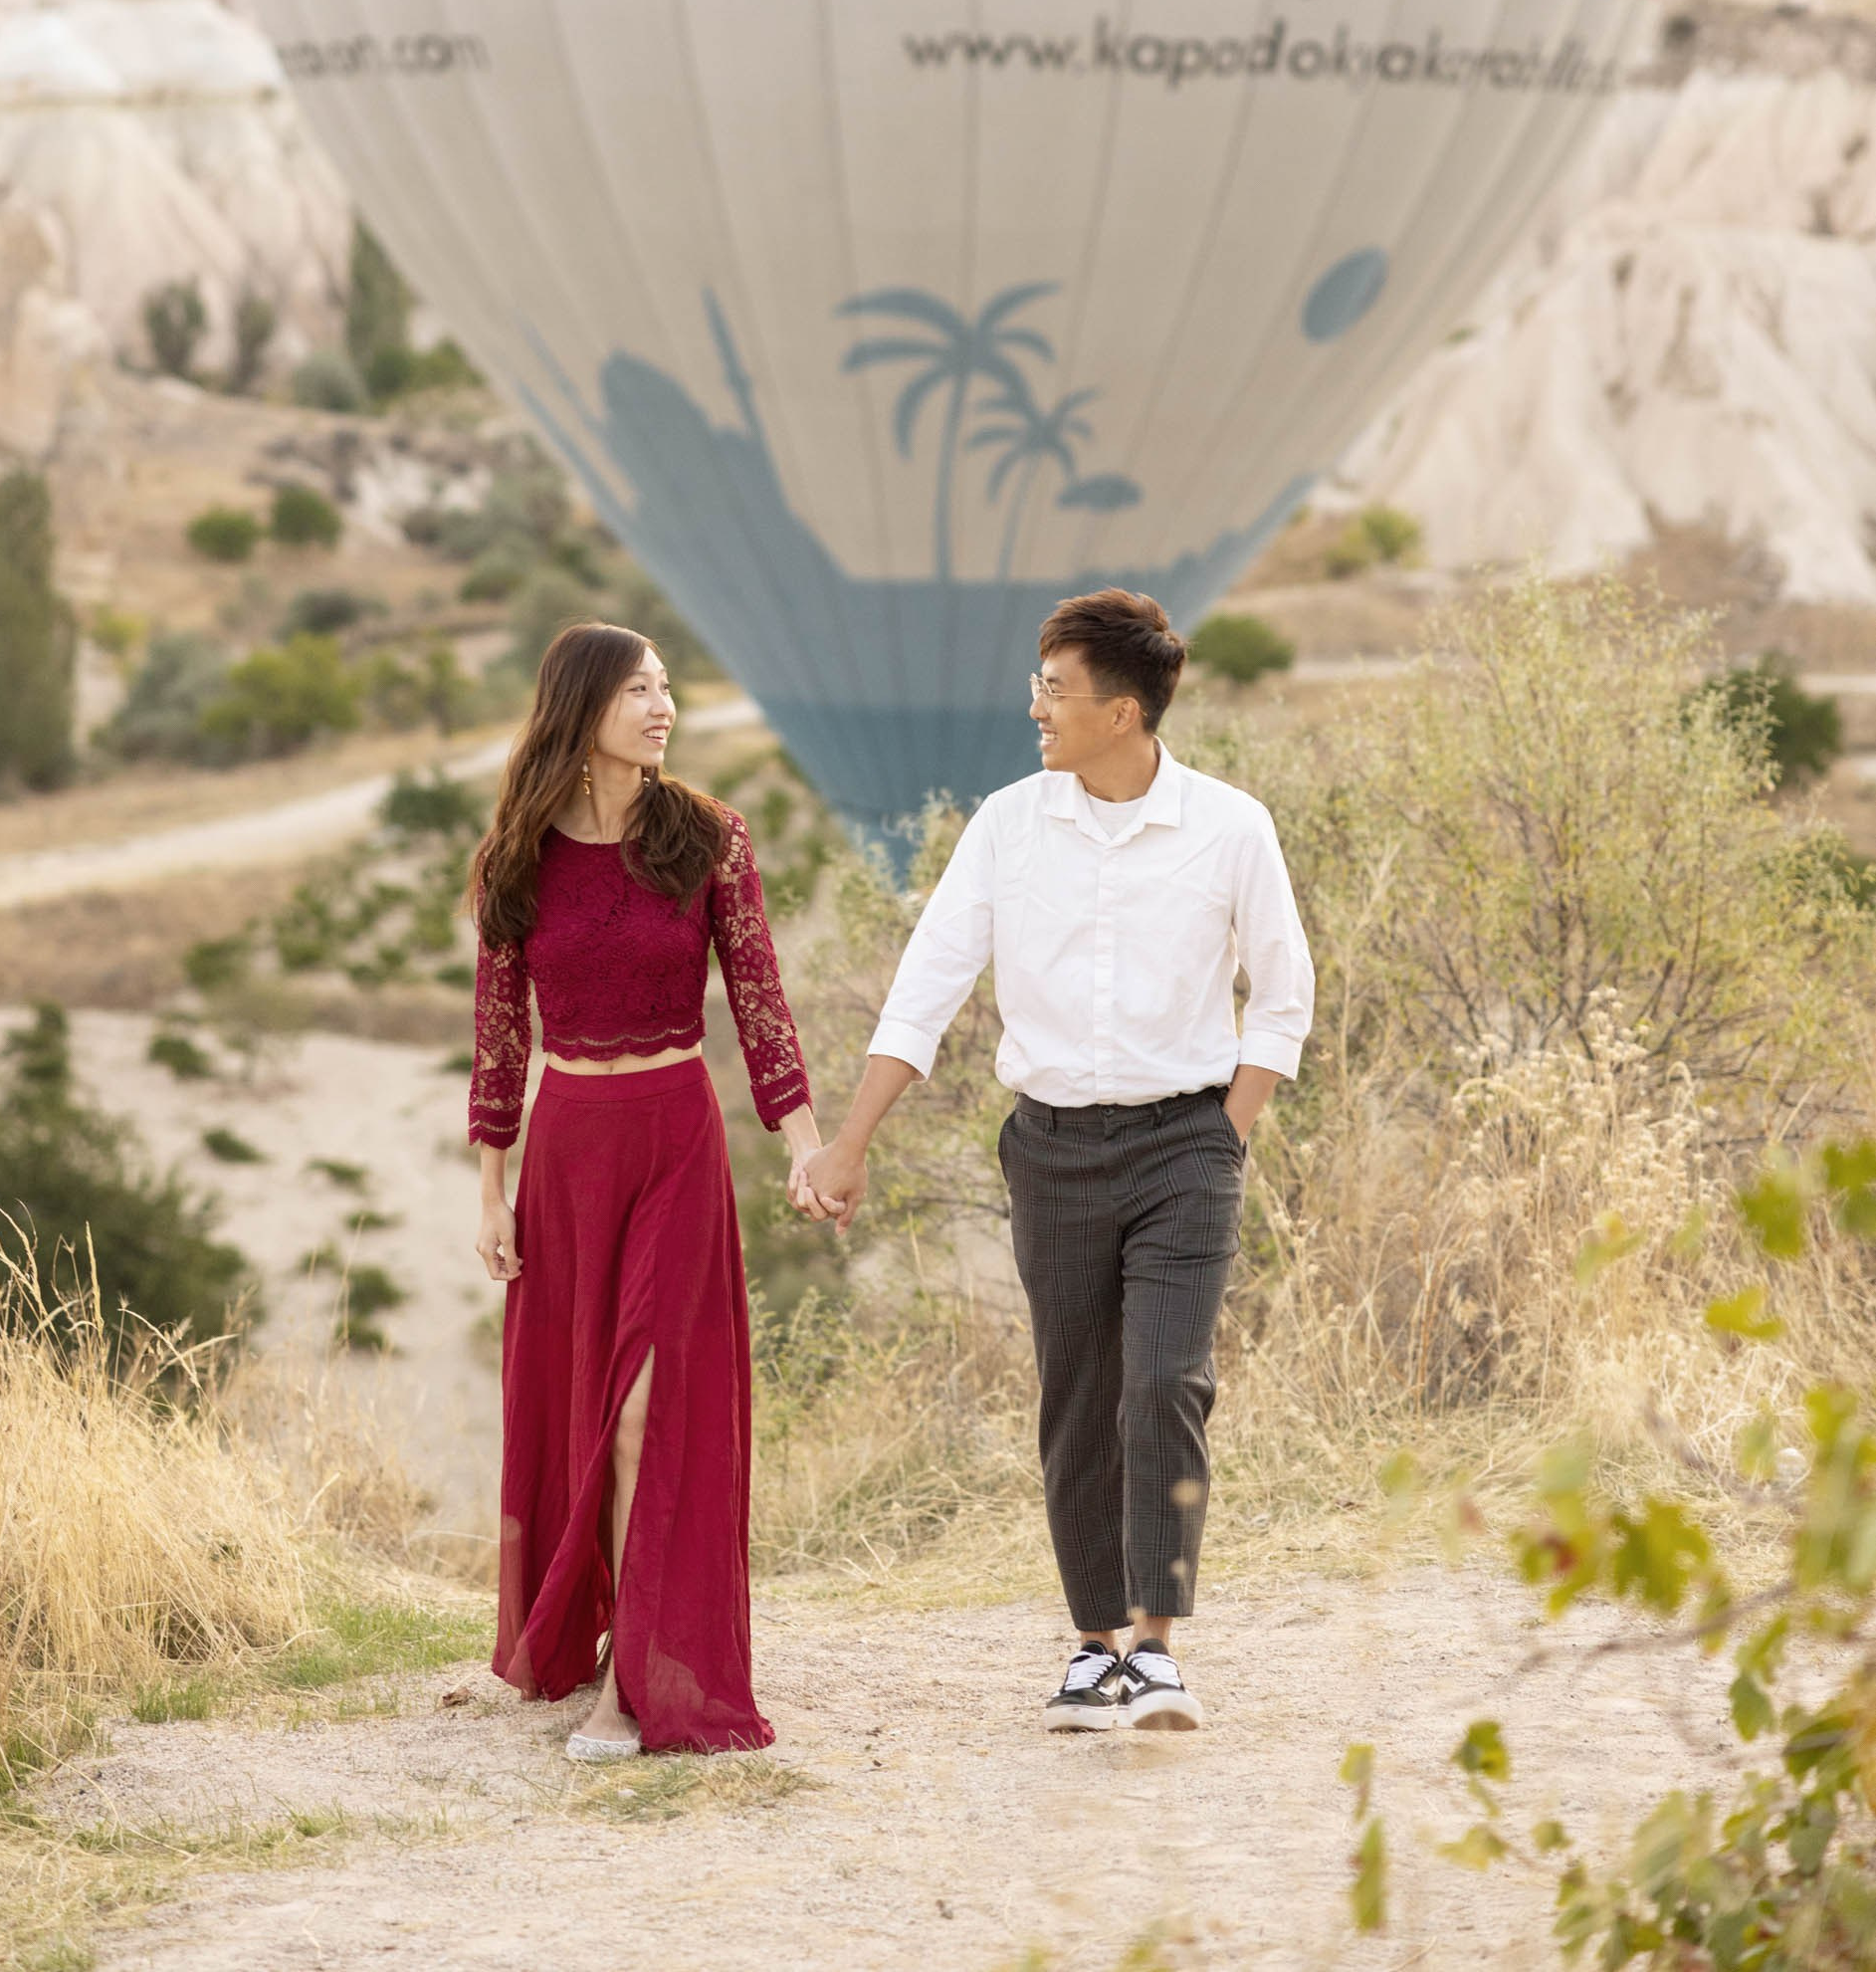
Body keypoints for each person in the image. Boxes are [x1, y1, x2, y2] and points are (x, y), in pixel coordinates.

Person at [793, 588, 1313, 1735]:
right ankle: (1091, 1649)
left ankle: (1158, 1647)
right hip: (1052, 1148)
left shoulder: (1232, 827)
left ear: (1121, 711)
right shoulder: (1006, 824)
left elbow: (1283, 997)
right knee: (1077, 1399)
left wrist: (1227, 1133)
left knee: (1166, 1379)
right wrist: (850, 1140)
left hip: (1188, 1142)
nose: (1033, 706)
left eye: (1053, 689)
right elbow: (929, 985)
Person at [470, 621, 822, 1761]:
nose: (663, 707)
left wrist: (807, 1143)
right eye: (639, 691)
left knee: (643, 1406)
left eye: (669, 688)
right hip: (569, 1150)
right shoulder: (516, 858)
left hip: (676, 1134)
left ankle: (637, 1681)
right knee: (576, 1402)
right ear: (581, 710)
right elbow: (499, 1040)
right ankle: (592, 1633)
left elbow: (762, 1006)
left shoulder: (708, 838)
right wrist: (493, 1187)